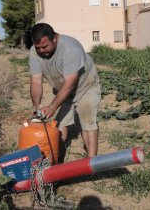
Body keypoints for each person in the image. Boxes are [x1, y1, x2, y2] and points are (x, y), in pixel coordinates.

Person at [29, 23, 101, 159]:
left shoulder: (70, 49)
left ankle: (93, 164)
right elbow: (36, 81)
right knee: (59, 123)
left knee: (87, 122)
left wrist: (52, 106)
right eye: (38, 48)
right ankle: (57, 159)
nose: (42, 51)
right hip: (62, 89)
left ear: (54, 38)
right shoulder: (34, 51)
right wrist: (36, 105)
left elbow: (69, 84)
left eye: (45, 46)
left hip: (85, 87)